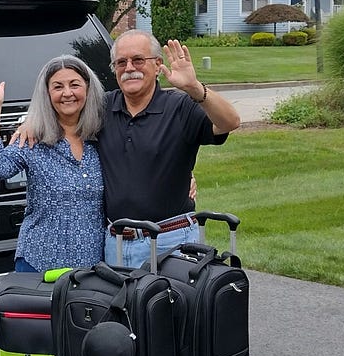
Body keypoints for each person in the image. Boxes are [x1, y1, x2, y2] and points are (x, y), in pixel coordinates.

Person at [98, 29, 242, 266]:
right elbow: (62, 113)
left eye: (138, 60)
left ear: (157, 66)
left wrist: (195, 88)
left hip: (170, 242)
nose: (129, 67)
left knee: (171, 304)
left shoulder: (180, 107)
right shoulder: (102, 108)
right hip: (116, 243)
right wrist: (29, 124)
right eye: (121, 62)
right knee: (120, 305)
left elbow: (230, 122)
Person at [0, 55, 108, 273]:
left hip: (91, 267)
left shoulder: (103, 137)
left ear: (88, 89)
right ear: (47, 94)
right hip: (40, 263)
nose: (67, 93)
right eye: (58, 86)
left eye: (74, 84)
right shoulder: (34, 138)